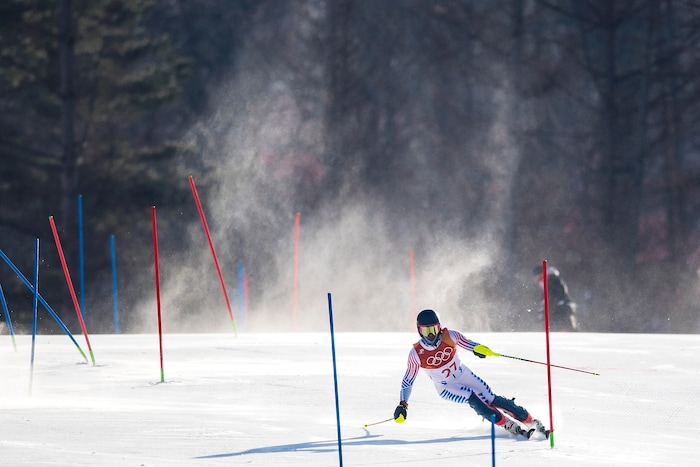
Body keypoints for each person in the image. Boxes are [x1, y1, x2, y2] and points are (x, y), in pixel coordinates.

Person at [392, 309, 549, 439]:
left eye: (433, 330)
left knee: (491, 398)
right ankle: (507, 424)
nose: (431, 336)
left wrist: (479, 349)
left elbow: (470, 344)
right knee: (472, 397)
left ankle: (531, 420)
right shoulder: (416, 354)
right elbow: (408, 381)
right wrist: (403, 404)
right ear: (419, 331)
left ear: (439, 327)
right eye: (426, 331)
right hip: (446, 387)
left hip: (463, 374)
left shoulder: (451, 336)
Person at [532, 266, 578, 331]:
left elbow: (554, 297)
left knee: (565, 333)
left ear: (541, 274)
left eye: (536, 276)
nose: (536, 279)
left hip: (561, 312)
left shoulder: (552, 280)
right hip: (558, 311)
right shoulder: (547, 281)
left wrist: (545, 313)